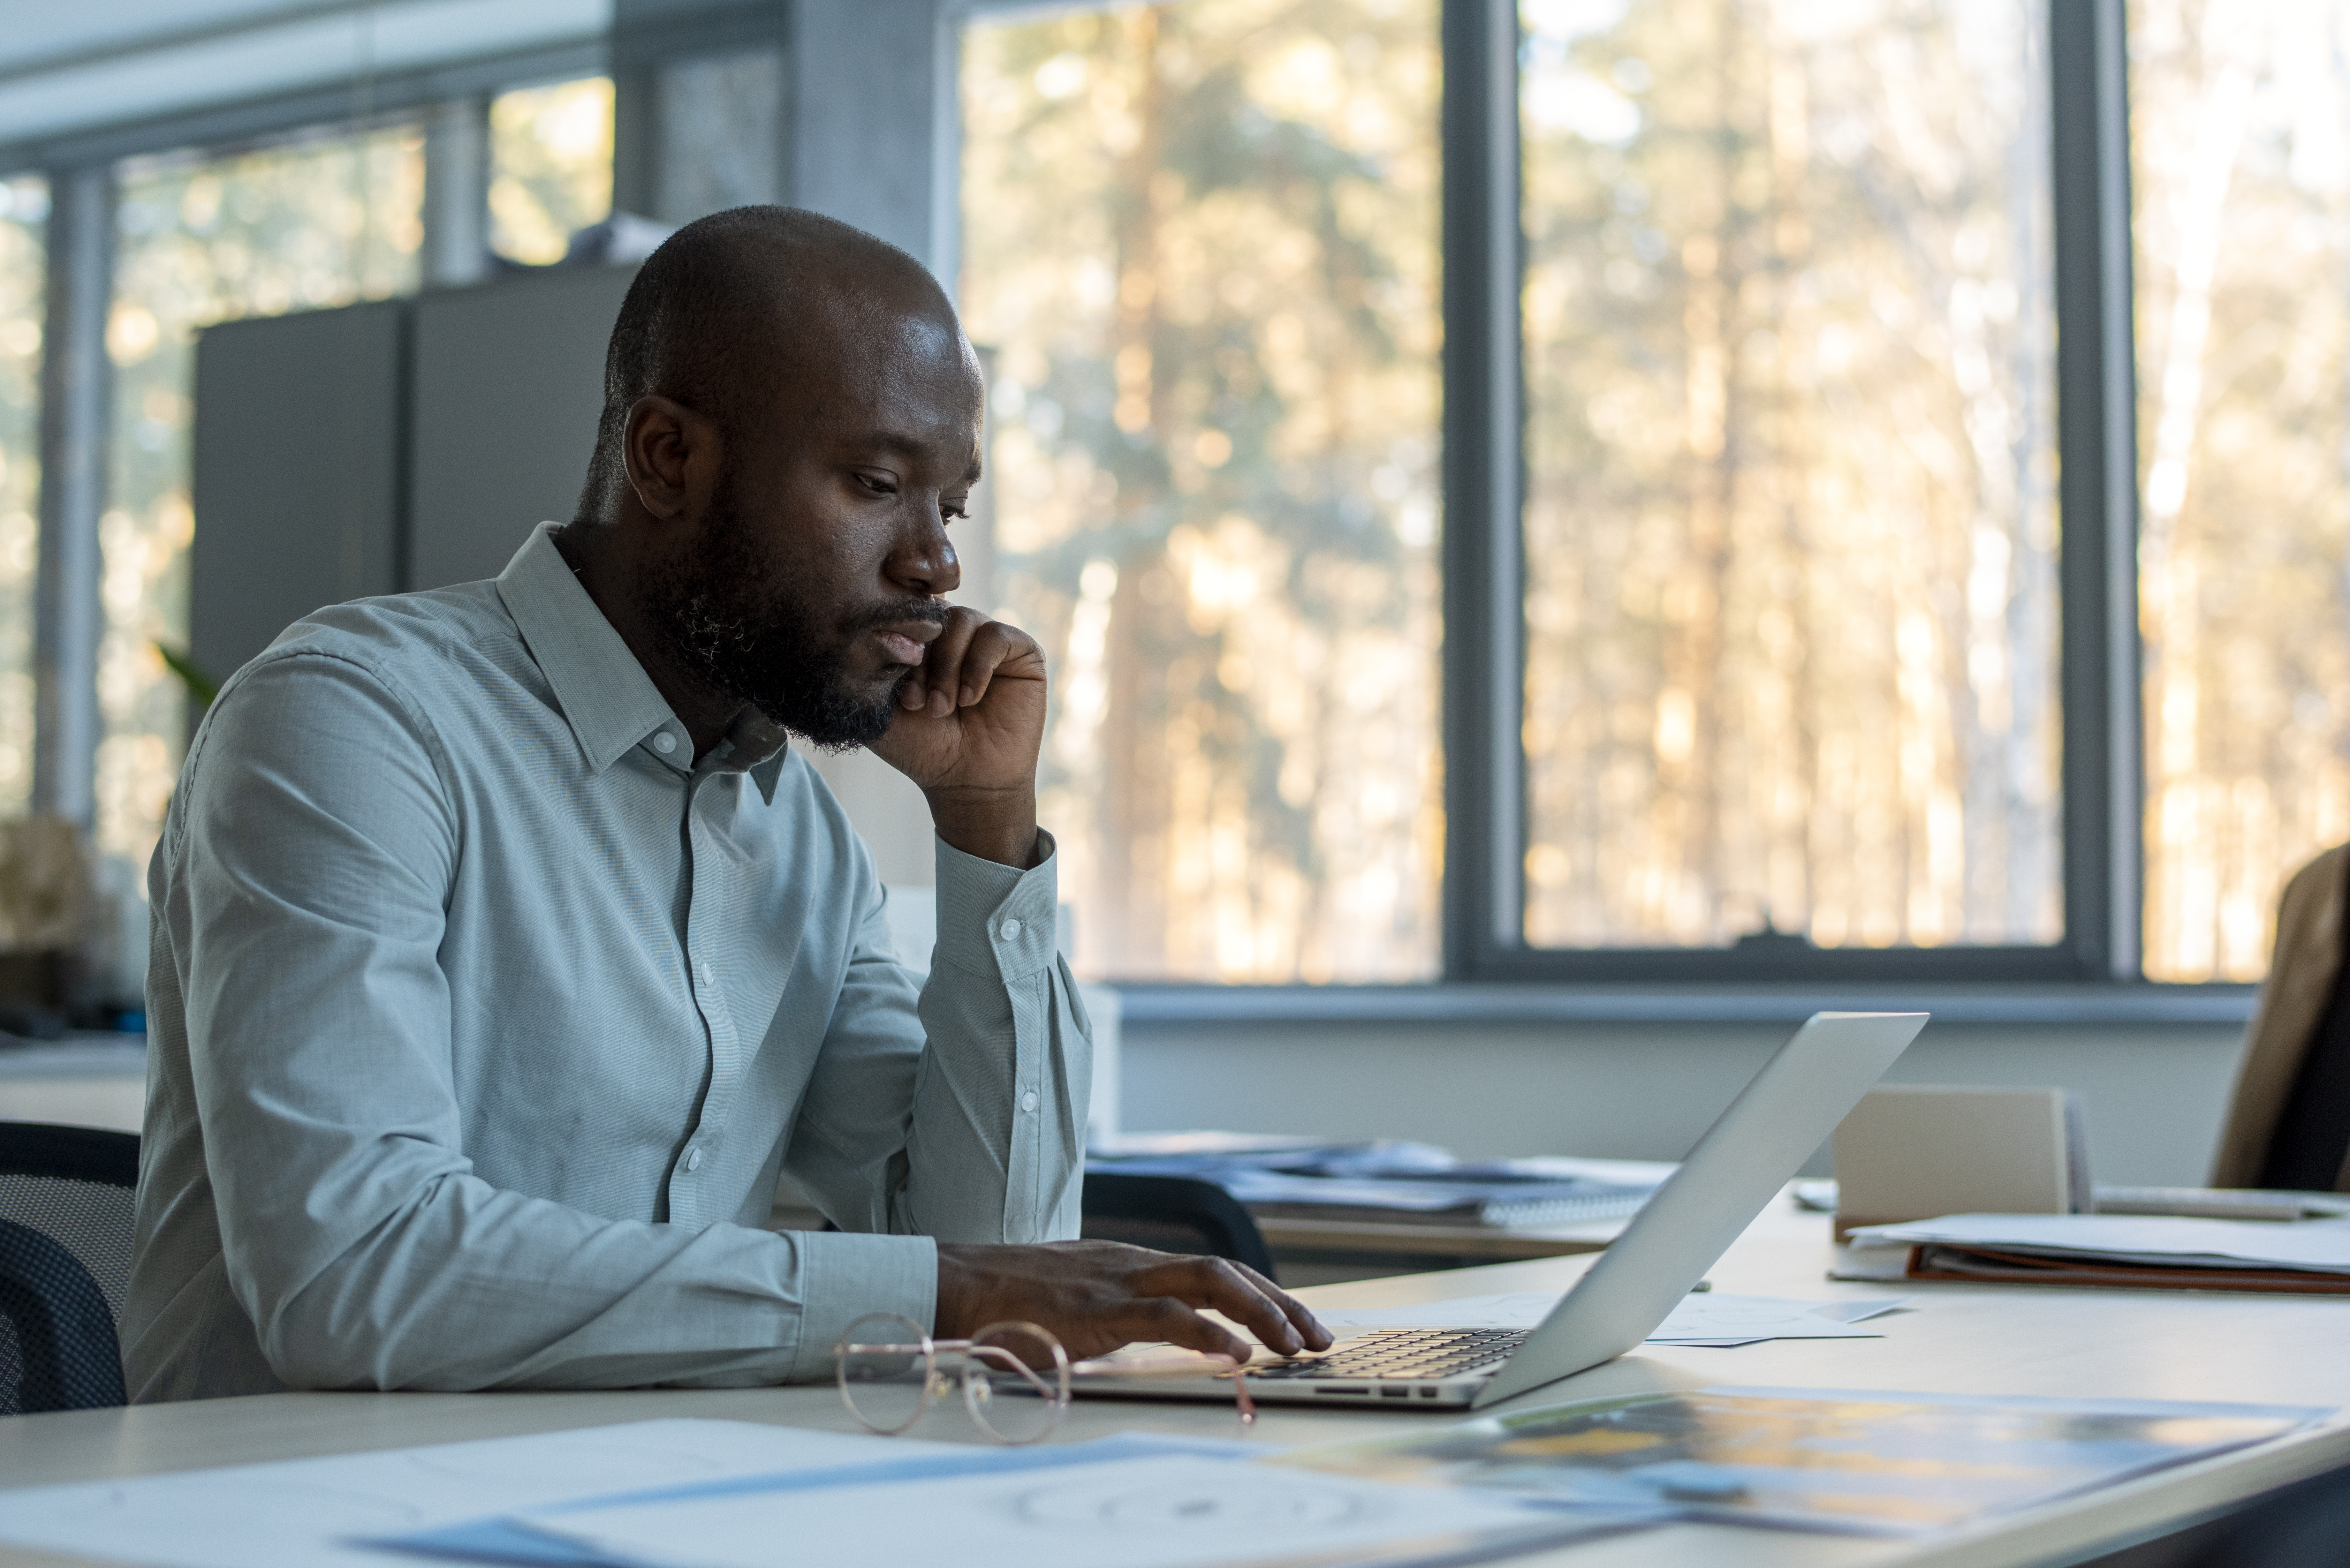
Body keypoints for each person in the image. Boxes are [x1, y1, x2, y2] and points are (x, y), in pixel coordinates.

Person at [123, 206, 1330, 1400]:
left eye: (950, 507)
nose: (937, 564)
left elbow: (996, 1249)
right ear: (667, 459)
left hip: (671, 1483)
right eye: (877, 484)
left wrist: (988, 826)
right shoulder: (356, 721)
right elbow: (355, 1275)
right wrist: (945, 1294)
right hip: (301, 1490)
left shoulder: (799, 838)